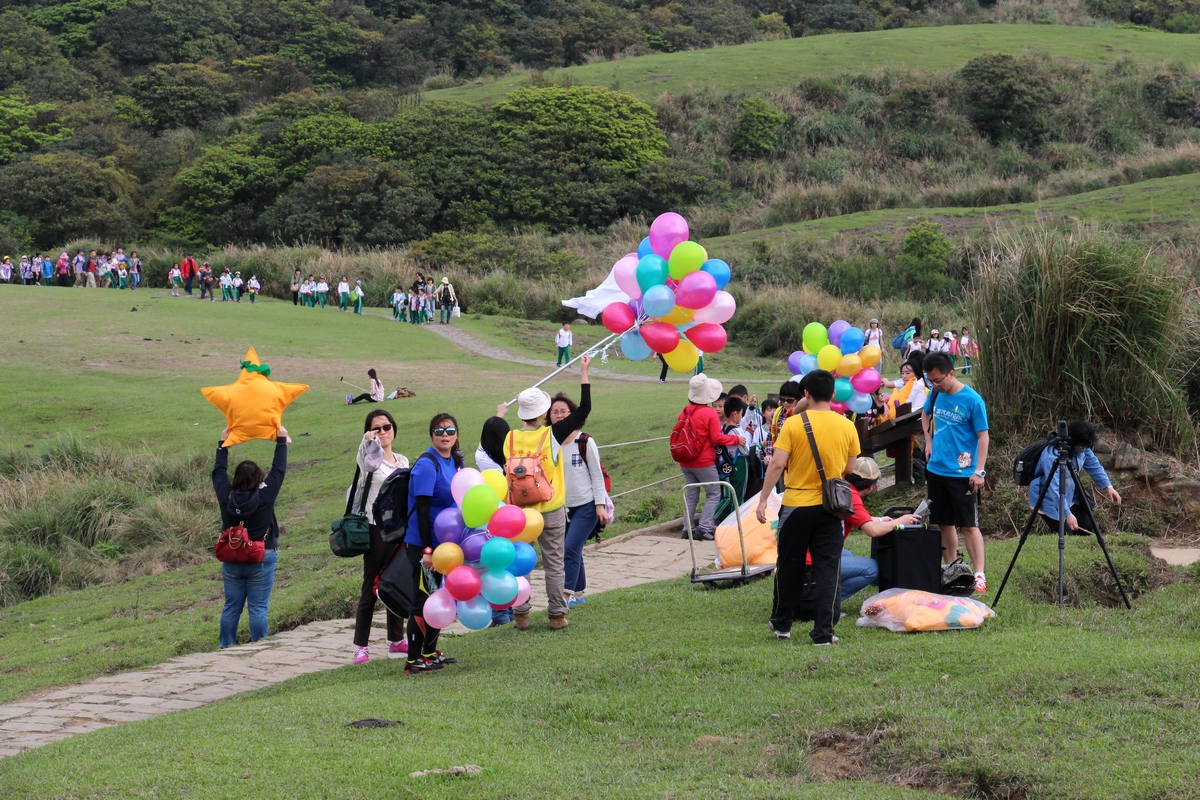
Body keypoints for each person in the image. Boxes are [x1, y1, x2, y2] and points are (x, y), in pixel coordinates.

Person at [756, 370, 859, 645]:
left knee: (789, 566)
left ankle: (782, 625)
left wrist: (764, 498)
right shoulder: (847, 425)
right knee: (828, 570)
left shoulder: (792, 424)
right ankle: (823, 633)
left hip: (795, 506)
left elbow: (777, 464)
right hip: (830, 508)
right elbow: (849, 468)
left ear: (805, 394)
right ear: (834, 395)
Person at [503, 355, 594, 631]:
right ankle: (556, 615)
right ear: (543, 414)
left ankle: (521, 614)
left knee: (521, 563)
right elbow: (585, 409)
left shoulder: (510, 437)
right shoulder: (552, 434)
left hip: (519, 512)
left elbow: (493, 435)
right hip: (550, 509)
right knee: (554, 563)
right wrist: (584, 372)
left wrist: (504, 410)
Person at [212, 424, 289, 648]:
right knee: (258, 608)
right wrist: (281, 441)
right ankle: (260, 648)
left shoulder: (226, 496)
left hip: (233, 558)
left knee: (231, 607)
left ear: (235, 479)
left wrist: (223, 445)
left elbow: (218, 473)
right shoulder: (265, 495)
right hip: (262, 555)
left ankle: (226, 647)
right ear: (259, 479)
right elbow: (279, 470)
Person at [921, 352, 990, 594]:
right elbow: (925, 413)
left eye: (938, 380)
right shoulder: (936, 393)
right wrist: (928, 440)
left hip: (963, 473)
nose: (934, 385)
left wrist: (979, 472)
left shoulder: (973, 400)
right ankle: (951, 568)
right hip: (936, 469)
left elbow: (983, 437)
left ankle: (979, 573)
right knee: (943, 523)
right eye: (930, 381)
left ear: (952, 373)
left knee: (968, 525)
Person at [404, 413, 463, 674]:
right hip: (423, 545)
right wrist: (428, 552)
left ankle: (429, 652)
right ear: (431, 435)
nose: (445, 435)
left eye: (450, 430)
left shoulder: (453, 460)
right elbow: (423, 512)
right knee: (423, 598)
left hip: (444, 545)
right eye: (439, 431)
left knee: (438, 596)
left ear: (457, 434)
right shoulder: (428, 465)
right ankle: (413, 659)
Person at [352, 409, 411, 665]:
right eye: (377, 428)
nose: (383, 432)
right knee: (370, 587)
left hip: (399, 530)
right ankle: (361, 646)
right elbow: (365, 463)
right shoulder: (370, 458)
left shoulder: (403, 460)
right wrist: (367, 443)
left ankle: (396, 640)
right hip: (376, 529)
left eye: (387, 427)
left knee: (395, 583)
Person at [550, 392, 610, 609]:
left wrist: (600, 505)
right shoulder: (551, 443)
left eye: (563, 411)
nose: (559, 415)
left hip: (586, 505)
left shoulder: (584, 441)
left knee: (570, 548)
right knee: (574, 549)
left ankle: (565, 597)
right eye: (554, 412)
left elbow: (596, 474)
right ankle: (579, 592)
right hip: (562, 507)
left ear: (572, 414)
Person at [839, 459, 922, 602]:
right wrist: (898, 521)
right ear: (871, 487)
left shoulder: (842, 487)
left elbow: (856, 516)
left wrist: (880, 519)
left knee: (847, 555)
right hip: (815, 559)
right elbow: (873, 531)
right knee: (871, 568)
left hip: (812, 551)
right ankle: (827, 601)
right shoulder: (852, 497)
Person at [676, 374, 747, 542]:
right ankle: (705, 527)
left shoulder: (685, 411)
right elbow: (717, 438)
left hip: (685, 460)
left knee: (692, 494)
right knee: (714, 493)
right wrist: (736, 439)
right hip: (703, 461)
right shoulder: (709, 413)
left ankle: (688, 528)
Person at [1028, 421, 1122, 534]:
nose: (1084, 449)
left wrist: (1108, 486)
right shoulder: (1052, 456)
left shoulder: (1082, 448)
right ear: (1072, 440)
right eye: (1081, 446)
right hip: (1049, 500)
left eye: (1085, 446)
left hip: (1071, 497)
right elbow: (1054, 489)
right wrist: (1067, 514)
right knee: (1067, 536)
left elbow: (1094, 465)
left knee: (1087, 529)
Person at [474, 406, 516, 627]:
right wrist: (501, 419)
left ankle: (500, 615)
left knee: (492, 566)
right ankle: (509, 610)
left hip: (489, 516)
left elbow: (482, 443)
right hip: (512, 517)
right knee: (508, 563)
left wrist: (498, 414)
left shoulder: (481, 457)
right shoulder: (514, 456)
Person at [713, 395, 749, 527]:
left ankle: (727, 521)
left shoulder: (723, 429)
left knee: (730, 494)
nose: (741, 416)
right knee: (738, 496)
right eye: (741, 413)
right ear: (734, 414)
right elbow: (745, 450)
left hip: (728, 465)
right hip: (740, 464)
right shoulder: (737, 430)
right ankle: (734, 524)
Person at [728, 384, 766, 498]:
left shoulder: (757, 416)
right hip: (744, 456)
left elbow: (748, 418)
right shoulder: (735, 424)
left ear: (745, 398)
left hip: (756, 457)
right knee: (739, 492)